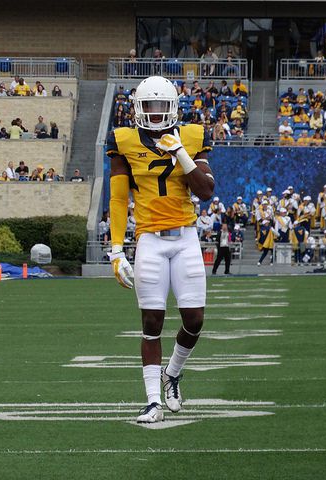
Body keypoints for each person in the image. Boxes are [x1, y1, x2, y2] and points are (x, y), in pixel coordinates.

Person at [107, 75, 214, 423]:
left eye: (161, 106)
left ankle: (174, 373)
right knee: (151, 322)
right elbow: (119, 198)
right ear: (138, 107)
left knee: (194, 319)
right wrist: (116, 249)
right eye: (148, 106)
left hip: (185, 236)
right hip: (150, 239)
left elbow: (206, 191)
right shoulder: (124, 140)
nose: (154, 113)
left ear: (173, 108)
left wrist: (180, 152)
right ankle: (152, 401)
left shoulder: (192, 135)